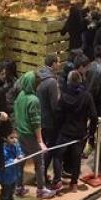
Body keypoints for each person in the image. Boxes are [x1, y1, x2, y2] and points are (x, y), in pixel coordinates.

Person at [13, 71, 56, 200]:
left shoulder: (20, 95)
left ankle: (19, 187)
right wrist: (40, 141)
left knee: (21, 161)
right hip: (30, 135)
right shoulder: (34, 100)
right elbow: (36, 122)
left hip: (20, 133)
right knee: (39, 162)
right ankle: (41, 190)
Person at [54, 70, 97, 192]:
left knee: (57, 156)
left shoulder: (63, 96)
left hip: (65, 132)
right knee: (76, 158)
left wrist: (57, 129)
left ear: (68, 82)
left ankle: (57, 180)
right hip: (80, 133)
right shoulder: (87, 96)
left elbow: (58, 115)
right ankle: (74, 184)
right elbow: (93, 115)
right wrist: (91, 132)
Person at [36, 54, 64, 189]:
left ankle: (40, 175)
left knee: (45, 148)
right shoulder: (52, 81)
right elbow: (55, 105)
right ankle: (41, 176)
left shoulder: (40, 76)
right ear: (53, 64)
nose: (60, 64)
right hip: (50, 121)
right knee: (50, 149)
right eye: (58, 62)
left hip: (40, 118)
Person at [0, 132, 25, 200]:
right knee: (5, 192)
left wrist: (21, 156)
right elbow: (3, 162)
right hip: (6, 175)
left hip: (15, 173)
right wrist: (13, 161)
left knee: (12, 190)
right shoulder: (3, 149)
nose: (15, 140)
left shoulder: (16, 145)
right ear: (5, 138)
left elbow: (20, 152)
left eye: (15, 137)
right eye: (11, 138)